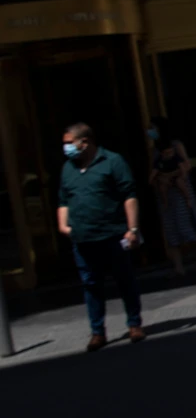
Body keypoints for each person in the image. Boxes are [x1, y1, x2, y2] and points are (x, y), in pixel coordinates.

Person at [57, 123, 143, 351]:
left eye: (68, 143)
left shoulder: (113, 162)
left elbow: (129, 195)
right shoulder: (68, 168)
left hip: (112, 235)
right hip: (82, 239)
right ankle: (97, 332)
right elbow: (64, 199)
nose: (65, 147)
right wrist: (63, 226)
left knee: (125, 280)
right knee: (91, 285)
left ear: (84, 142)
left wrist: (132, 229)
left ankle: (134, 324)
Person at [147, 117, 196, 275]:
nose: (150, 131)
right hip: (165, 193)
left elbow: (186, 165)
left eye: (152, 127)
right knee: (171, 229)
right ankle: (178, 266)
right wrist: (160, 179)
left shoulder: (176, 145)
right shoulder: (154, 150)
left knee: (185, 226)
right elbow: (153, 171)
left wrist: (173, 175)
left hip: (179, 191)